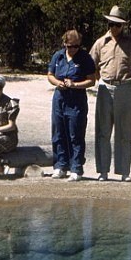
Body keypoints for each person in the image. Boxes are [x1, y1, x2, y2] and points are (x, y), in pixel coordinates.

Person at [90, 5, 131, 182]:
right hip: (105, 89)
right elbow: (92, 66)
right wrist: (102, 81)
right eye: (111, 24)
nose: (114, 27)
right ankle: (103, 171)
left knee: (124, 132)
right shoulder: (100, 43)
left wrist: (126, 83)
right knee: (103, 131)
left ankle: (124, 171)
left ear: (123, 26)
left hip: (125, 88)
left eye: (118, 24)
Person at [47, 29, 96, 181]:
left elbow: (92, 80)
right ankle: (60, 166)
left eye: (76, 46)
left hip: (76, 99)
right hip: (59, 98)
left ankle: (76, 168)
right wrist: (58, 83)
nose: (73, 49)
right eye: (70, 46)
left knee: (75, 133)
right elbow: (50, 75)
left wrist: (75, 84)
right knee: (58, 132)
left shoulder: (85, 58)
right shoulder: (58, 56)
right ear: (64, 44)